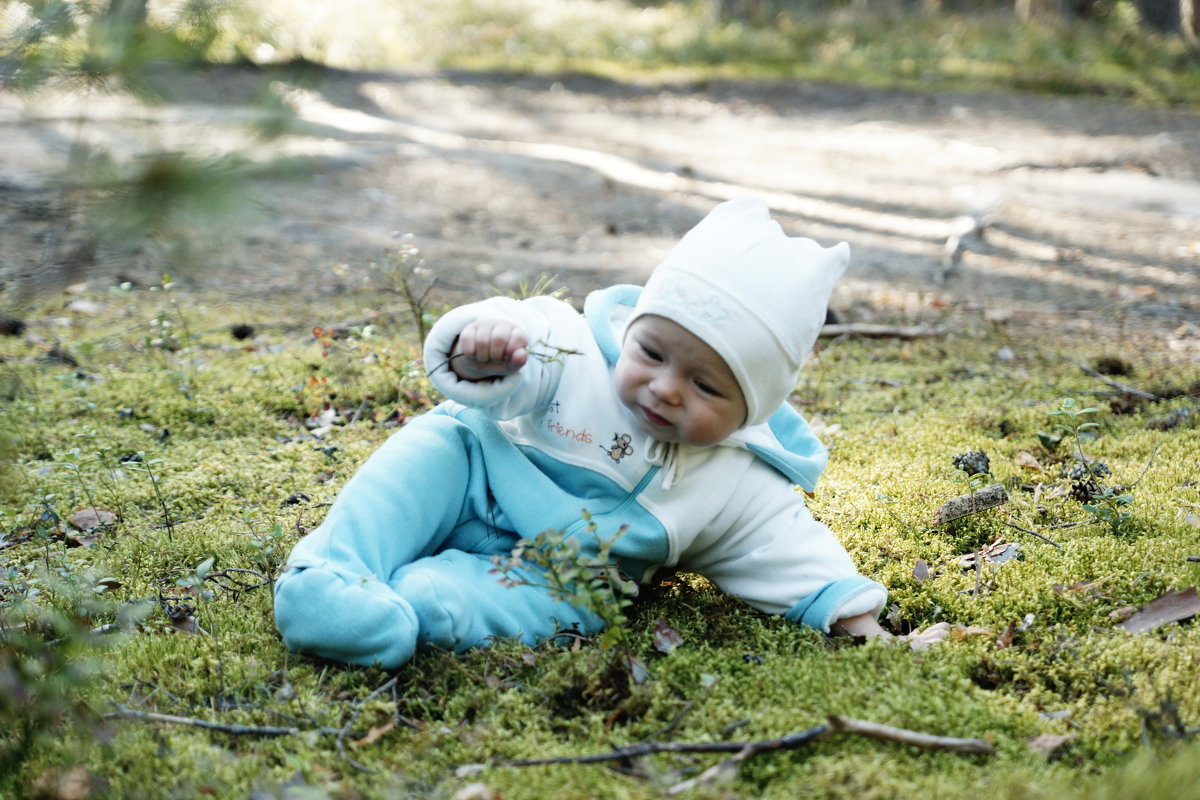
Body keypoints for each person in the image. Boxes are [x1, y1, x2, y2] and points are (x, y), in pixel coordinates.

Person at [274, 196, 943, 668]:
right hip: (474, 475)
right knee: (431, 452)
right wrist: (487, 346)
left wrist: (862, 624)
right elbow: (525, 342)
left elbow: (789, 552)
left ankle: (416, 608)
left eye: (706, 385)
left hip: (558, 574)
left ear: (751, 410)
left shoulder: (735, 482)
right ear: (632, 329)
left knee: (540, 604)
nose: (665, 387)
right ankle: (332, 577)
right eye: (651, 352)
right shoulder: (574, 353)